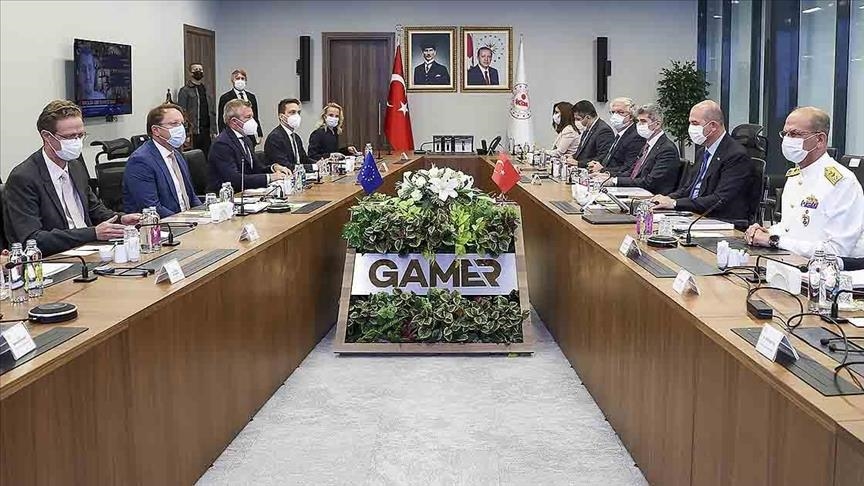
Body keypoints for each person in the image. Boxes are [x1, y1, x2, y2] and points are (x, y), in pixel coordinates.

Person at [3, 100, 140, 256]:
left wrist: (121, 219)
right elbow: (32, 239)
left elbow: (95, 211)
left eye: (80, 135)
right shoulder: (24, 177)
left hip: (91, 250)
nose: (76, 142)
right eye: (69, 137)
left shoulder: (75, 166)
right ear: (47, 136)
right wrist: (92, 233)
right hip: (55, 258)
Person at [745, 107, 864, 257]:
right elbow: (791, 228)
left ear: (820, 140)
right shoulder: (795, 176)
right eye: (785, 134)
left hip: (827, 269)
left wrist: (774, 240)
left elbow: (837, 251)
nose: (787, 140)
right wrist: (765, 232)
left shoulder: (842, 182)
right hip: (791, 262)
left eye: (795, 134)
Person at [651, 100, 754, 221]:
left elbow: (719, 199)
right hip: (693, 213)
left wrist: (675, 203)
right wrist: (667, 198)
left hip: (718, 219)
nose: (690, 128)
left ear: (713, 126)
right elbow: (689, 188)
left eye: (695, 123)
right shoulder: (702, 151)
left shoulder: (736, 155)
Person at [123, 103, 202, 217]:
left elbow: (190, 196)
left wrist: (203, 214)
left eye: (182, 124)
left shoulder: (177, 155)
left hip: (187, 220)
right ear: (156, 130)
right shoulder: (140, 161)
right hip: (162, 224)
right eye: (174, 124)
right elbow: (152, 207)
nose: (180, 129)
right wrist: (186, 221)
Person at [597, 103, 680, 195]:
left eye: (643, 121)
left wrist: (615, 181)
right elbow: (632, 172)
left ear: (657, 124)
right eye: (638, 121)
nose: (639, 125)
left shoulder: (667, 149)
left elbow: (651, 182)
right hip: (637, 192)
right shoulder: (647, 145)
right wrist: (608, 177)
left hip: (653, 196)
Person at [208, 99, 289, 192]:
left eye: (252, 117)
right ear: (234, 121)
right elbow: (234, 179)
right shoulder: (222, 144)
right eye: (248, 117)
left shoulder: (246, 139)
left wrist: (273, 168)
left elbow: (256, 169)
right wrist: (270, 177)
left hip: (246, 192)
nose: (253, 121)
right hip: (225, 196)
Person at [587, 97, 644, 176]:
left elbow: (628, 168)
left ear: (631, 116)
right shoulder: (620, 134)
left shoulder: (636, 136)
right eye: (613, 112)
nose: (615, 116)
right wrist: (597, 164)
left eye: (621, 112)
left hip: (617, 179)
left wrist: (602, 169)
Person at [177, 63, 217, 156]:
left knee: (207, 156)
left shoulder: (206, 89)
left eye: (200, 69)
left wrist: (214, 130)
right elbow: (182, 113)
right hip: (194, 132)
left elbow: (212, 111)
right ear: (190, 73)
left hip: (207, 131)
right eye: (196, 69)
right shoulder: (185, 91)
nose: (198, 71)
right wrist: (186, 133)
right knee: (194, 157)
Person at [217, 69, 263, 146]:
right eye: (237, 78)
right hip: (234, 133)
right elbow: (221, 119)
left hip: (249, 133)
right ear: (232, 80)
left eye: (242, 78)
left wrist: (259, 132)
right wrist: (222, 135)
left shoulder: (251, 97)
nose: (240, 81)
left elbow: (255, 116)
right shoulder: (225, 97)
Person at [264, 98, 313, 170]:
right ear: (281, 116)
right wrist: (313, 167)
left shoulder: (296, 137)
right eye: (292, 112)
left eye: (298, 112)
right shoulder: (275, 137)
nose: (297, 116)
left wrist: (318, 164)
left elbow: (304, 159)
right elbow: (284, 165)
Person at [570, 100, 615, 166]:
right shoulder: (588, 128)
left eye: (578, 119)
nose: (576, 122)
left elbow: (602, 157)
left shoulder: (604, 130)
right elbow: (582, 152)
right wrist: (572, 156)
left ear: (588, 117)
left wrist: (579, 163)